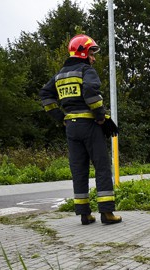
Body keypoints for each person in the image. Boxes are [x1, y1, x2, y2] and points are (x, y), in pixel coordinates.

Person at [39, 34, 121, 226]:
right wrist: (101, 117)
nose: (93, 58)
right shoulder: (86, 70)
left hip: (72, 128)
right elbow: (91, 92)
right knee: (101, 167)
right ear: (83, 52)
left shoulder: (59, 75)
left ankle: (85, 214)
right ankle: (107, 213)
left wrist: (60, 118)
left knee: (79, 170)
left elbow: (45, 95)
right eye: (92, 53)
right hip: (90, 125)